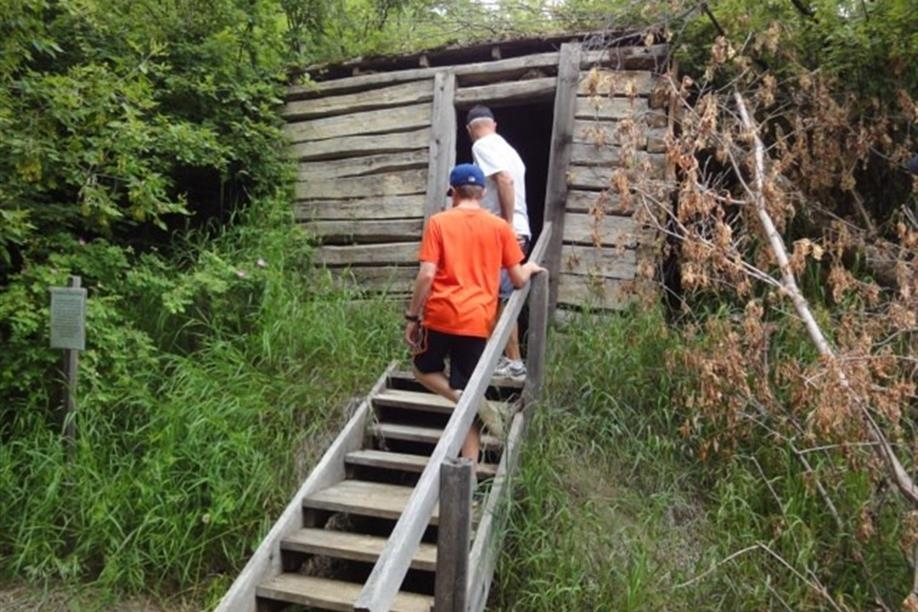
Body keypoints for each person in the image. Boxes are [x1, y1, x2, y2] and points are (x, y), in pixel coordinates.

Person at [404, 163, 545, 462]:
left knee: (422, 369)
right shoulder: (500, 228)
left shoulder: (439, 222)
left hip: (440, 315)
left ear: (453, 192)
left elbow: (427, 274)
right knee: (468, 388)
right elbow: (518, 279)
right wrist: (530, 267)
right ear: (482, 192)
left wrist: (412, 317)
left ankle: (464, 400)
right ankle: (467, 464)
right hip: (477, 320)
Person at [466, 104, 531, 381]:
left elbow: (504, 180)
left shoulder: (482, 146)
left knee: (493, 298)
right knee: (501, 297)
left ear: (470, 130)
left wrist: (505, 224)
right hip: (518, 230)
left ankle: (511, 362)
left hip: (504, 231)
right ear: (495, 123)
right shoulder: (510, 150)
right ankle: (510, 361)